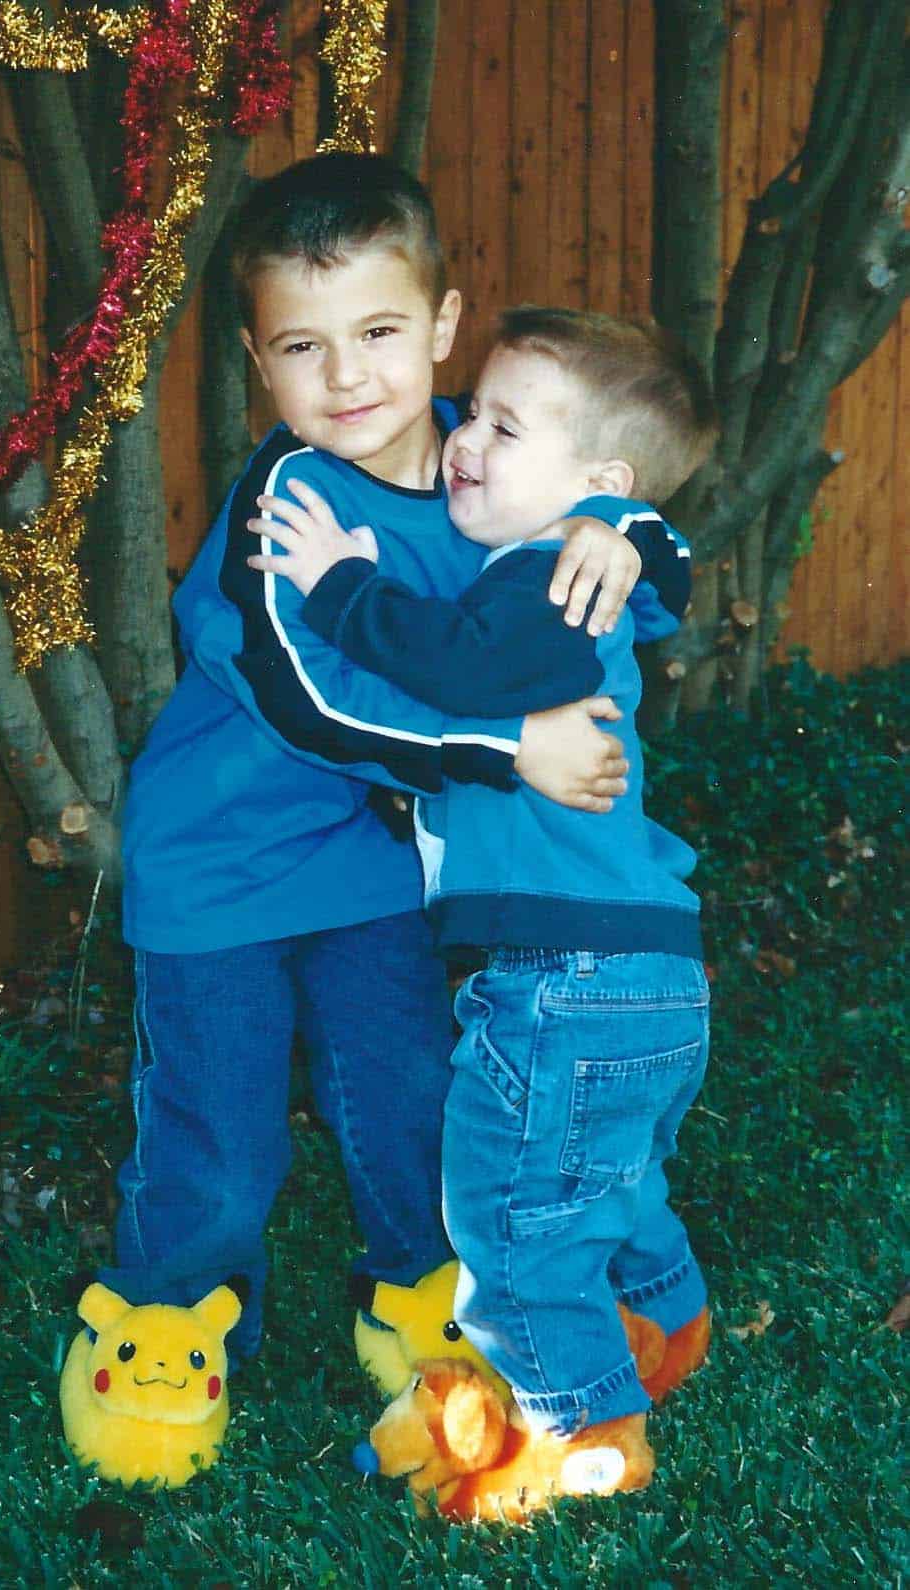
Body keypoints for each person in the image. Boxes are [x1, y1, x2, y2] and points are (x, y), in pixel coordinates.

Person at [100, 155, 688, 1376]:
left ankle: (420, 1301)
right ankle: (164, 1329)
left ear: (444, 329)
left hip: (376, 870)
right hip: (222, 867)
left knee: (416, 1095)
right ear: (259, 367)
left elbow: (616, 485)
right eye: (302, 348)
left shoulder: (495, 461)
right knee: (222, 1128)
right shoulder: (292, 504)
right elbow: (314, 705)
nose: (348, 375)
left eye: (376, 331)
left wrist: (616, 531)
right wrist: (508, 744)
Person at [248, 305, 719, 1489]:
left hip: (566, 978)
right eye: (480, 411)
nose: (467, 437)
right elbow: (646, 564)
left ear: (595, 482)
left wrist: (340, 586)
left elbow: (458, 667)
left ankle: (582, 1439)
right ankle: (666, 1325)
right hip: (646, 975)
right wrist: (627, 523)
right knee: (606, 1180)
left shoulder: (543, 581)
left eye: (507, 426)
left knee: (513, 1220)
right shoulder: (585, 566)